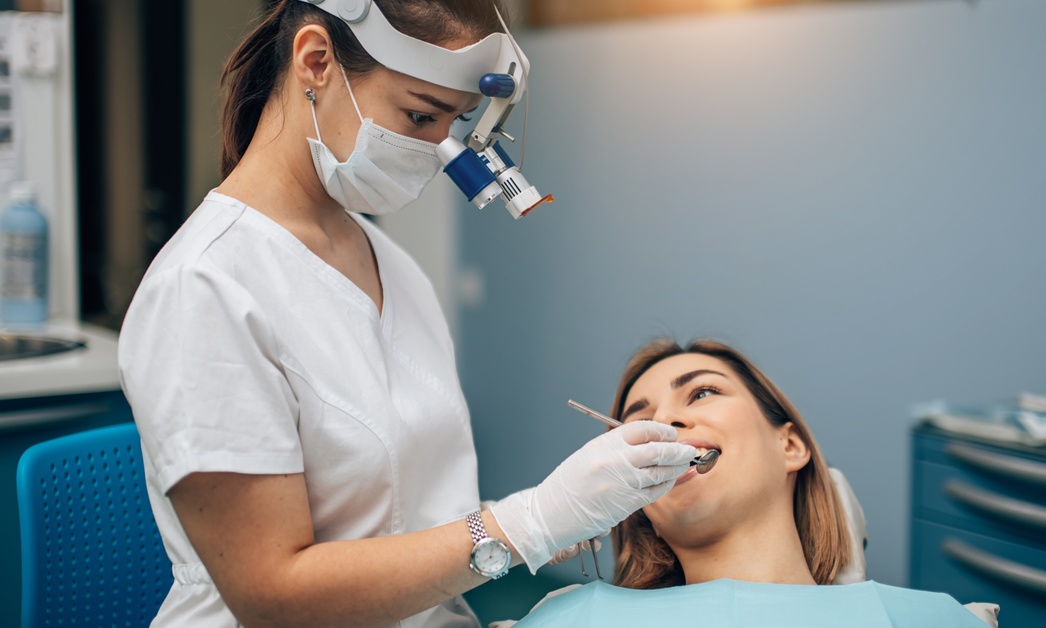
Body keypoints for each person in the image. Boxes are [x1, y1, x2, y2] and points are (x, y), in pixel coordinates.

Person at [117, 2, 697, 626]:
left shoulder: (391, 265)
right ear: (316, 61)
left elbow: (404, 508)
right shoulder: (204, 288)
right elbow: (272, 597)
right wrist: (528, 522)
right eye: (419, 115)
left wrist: (558, 517)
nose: (436, 149)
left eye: (454, 121)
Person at [510, 339, 997, 627]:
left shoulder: (923, 619)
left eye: (702, 393)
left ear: (790, 446)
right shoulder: (577, 618)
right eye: (639, 422)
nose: (664, 424)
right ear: (637, 503)